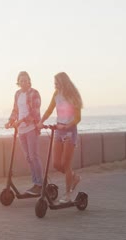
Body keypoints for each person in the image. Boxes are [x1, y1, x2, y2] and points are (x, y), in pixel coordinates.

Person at [37, 72, 83, 203]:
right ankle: (74, 177)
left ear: (63, 82)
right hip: (58, 131)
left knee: (66, 164)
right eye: (54, 83)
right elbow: (50, 109)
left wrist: (67, 125)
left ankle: (68, 195)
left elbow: (78, 118)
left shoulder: (73, 96)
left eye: (56, 83)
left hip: (69, 131)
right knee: (56, 164)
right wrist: (41, 121)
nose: (55, 85)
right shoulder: (56, 94)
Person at [4, 71, 43, 196]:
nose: (23, 82)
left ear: (29, 81)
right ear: (18, 82)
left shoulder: (34, 93)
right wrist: (10, 121)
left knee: (34, 156)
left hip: (31, 128)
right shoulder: (17, 94)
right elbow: (15, 109)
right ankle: (35, 182)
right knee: (28, 157)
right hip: (21, 130)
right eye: (21, 80)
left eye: (26, 80)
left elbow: (35, 112)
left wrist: (22, 120)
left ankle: (40, 184)